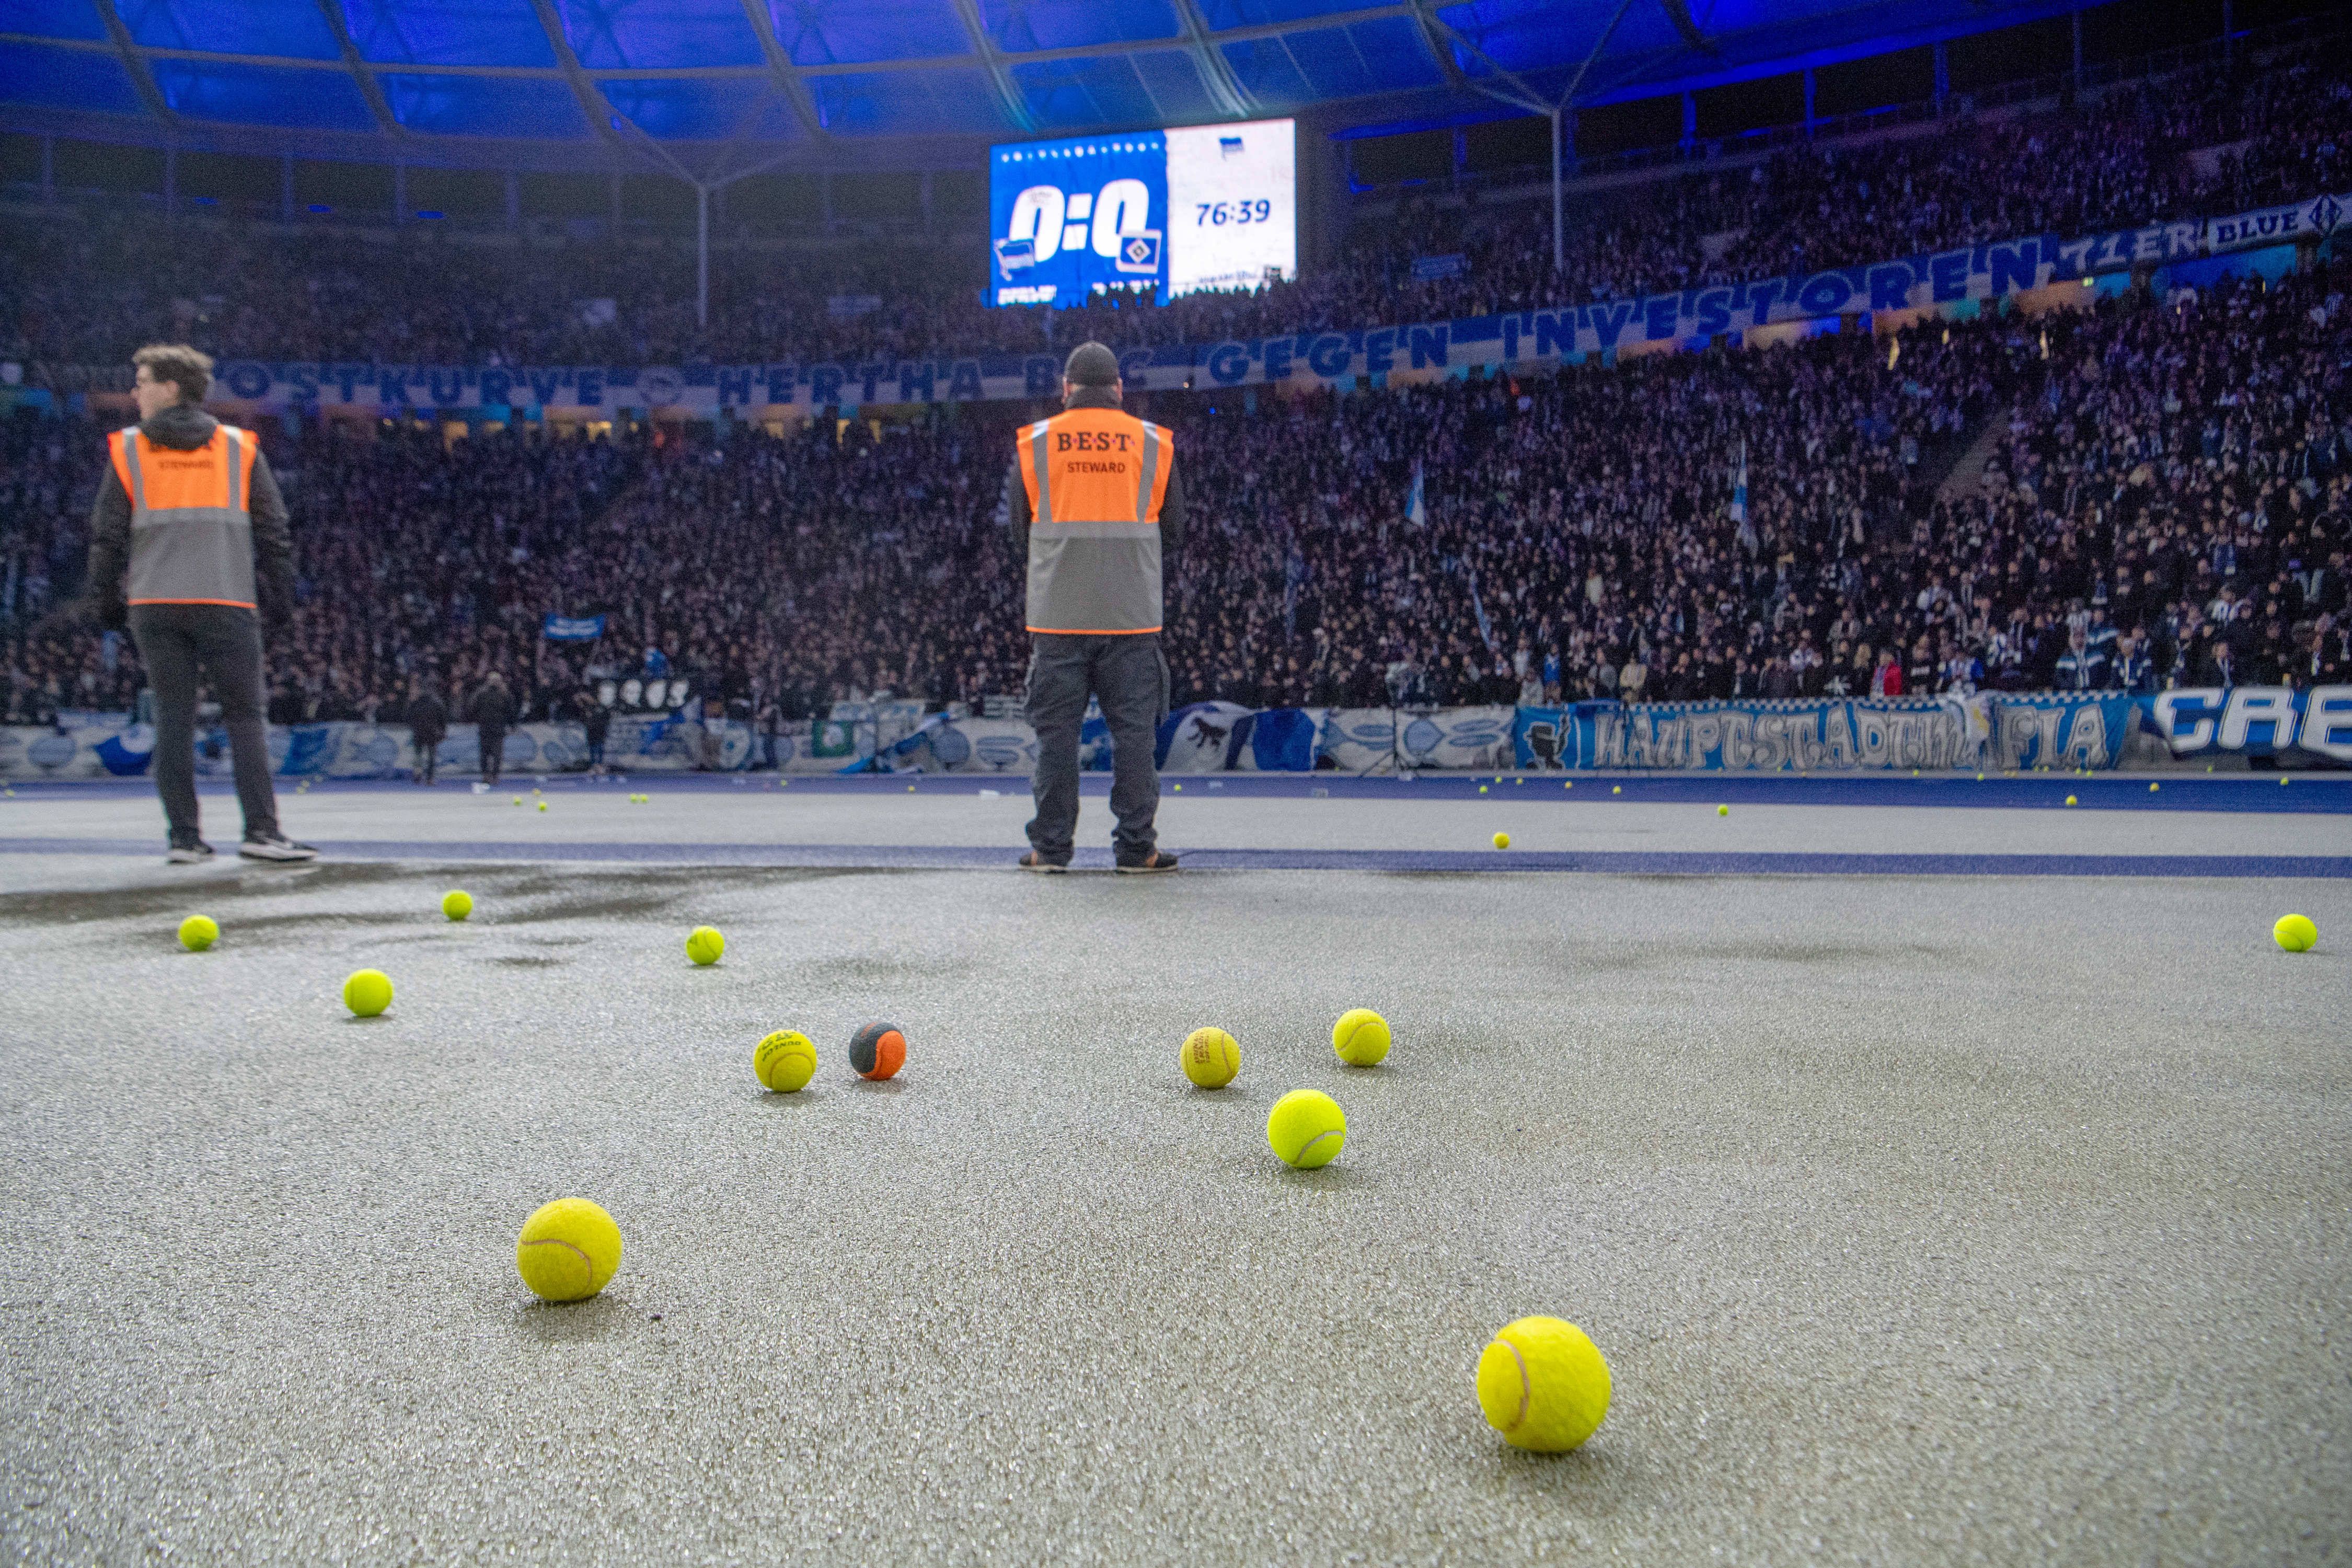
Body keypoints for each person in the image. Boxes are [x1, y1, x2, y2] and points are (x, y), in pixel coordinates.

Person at [83, 343, 314, 863]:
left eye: (141, 381)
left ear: (171, 388)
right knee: (245, 718)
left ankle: (184, 839)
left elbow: (107, 536)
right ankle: (261, 832)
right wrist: (281, 595)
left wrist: (105, 600)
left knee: (173, 718)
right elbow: (274, 530)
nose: (134, 391)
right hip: (226, 599)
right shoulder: (239, 447)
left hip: (155, 604)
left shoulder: (127, 449)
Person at [999, 341, 1186, 873]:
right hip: (1131, 615)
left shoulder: (1037, 442)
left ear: (1066, 390)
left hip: (1058, 615)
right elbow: (1174, 530)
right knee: (1134, 737)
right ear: (1120, 391)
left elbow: (1019, 531)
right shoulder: (1152, 442)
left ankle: (1052, 850)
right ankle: (1136, 849)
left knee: (1056, 737)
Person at [471, 670, 516, 785]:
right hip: (493, 728)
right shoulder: (503, 694)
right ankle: (492, 776)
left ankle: (489, 775)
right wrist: (512, 725)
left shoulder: (483, 693)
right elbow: (511, 711)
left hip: (491, 728)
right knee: (493, 754)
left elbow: (472, 708)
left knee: (489, 754)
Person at [408, 675, 447, 785]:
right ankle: (430, 778)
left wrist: (414, 727)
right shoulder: (437, 703)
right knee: (431, 757)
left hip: (418, 732)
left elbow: (409, 716)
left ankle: (418, 771)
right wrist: (443, 731)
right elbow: (443, 719)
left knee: (418, 755)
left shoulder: (416, 703)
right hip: (432, 733)